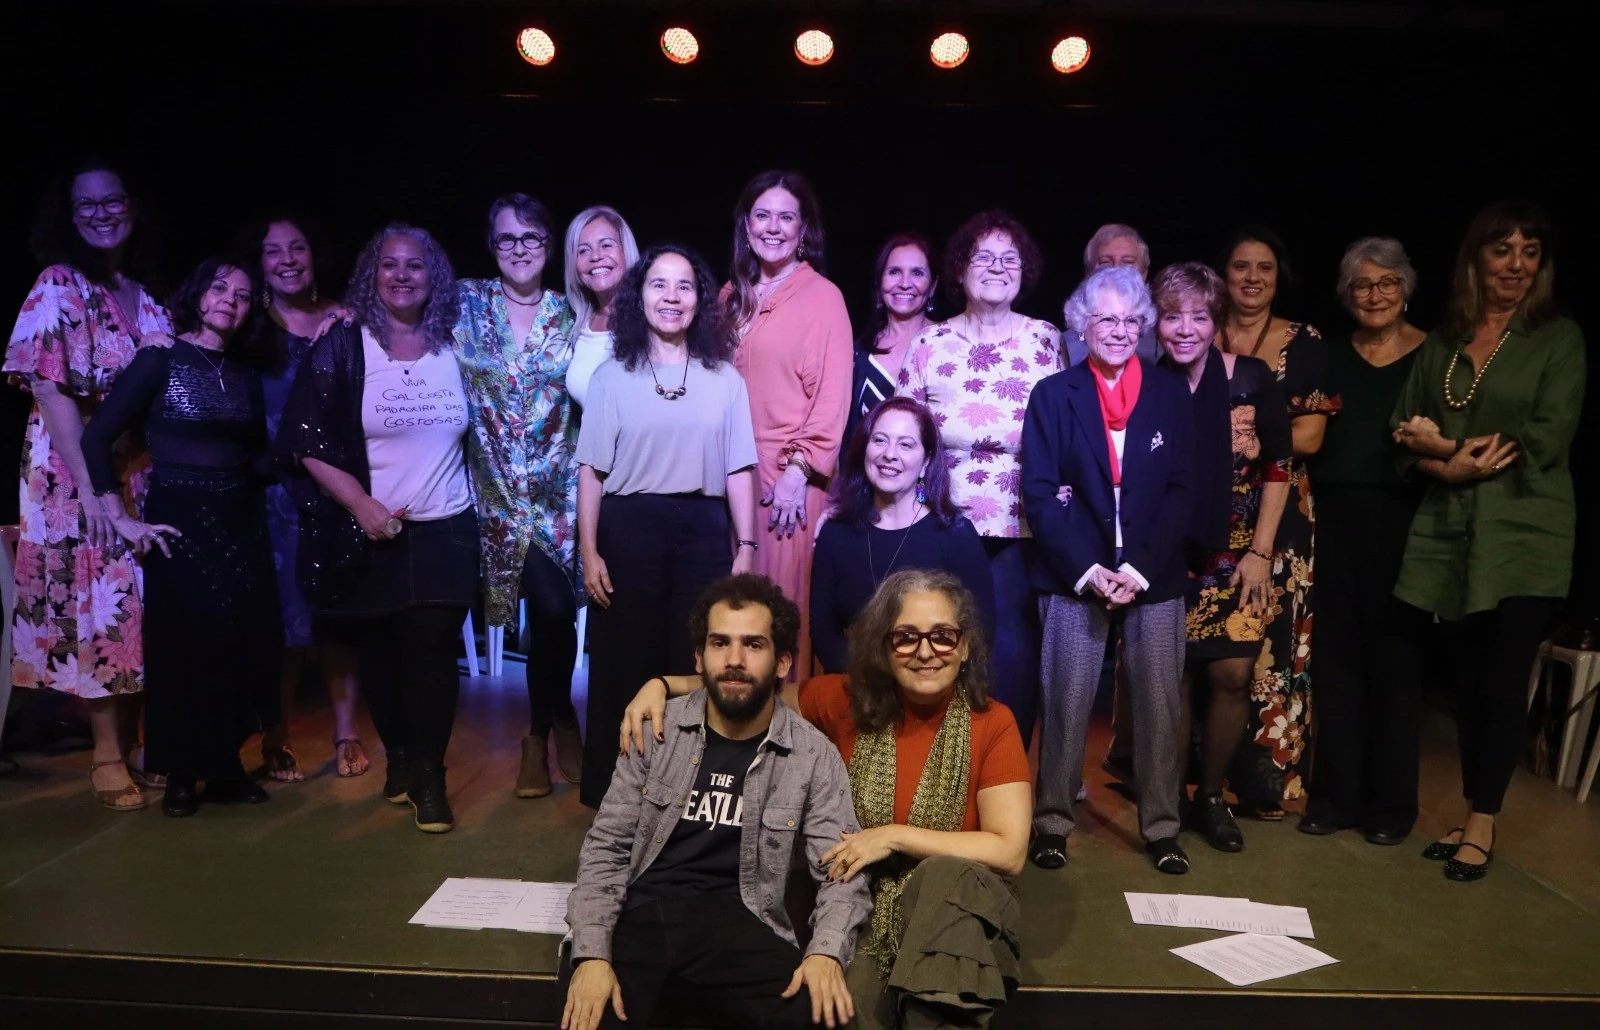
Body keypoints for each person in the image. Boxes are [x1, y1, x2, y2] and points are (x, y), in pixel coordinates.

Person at [624, 569, 1030, 1029]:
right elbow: (747, 684)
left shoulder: (993, 723)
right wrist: (661, 684)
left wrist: (892, 838)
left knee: (944, 876)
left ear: (964, 646)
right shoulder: (845, 700)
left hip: (962, 915)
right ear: (883, 645)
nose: (924, 652)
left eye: (942, 636)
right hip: (866, 902)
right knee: (835, 1012)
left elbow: (1009, 849)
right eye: (906, 637)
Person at [562, 574, 869, 1030]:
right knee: (588, 1015)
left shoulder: (811, 755)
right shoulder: (656, 733)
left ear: (783, 661)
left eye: (754, 645)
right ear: (699, 659)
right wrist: (590, 954)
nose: (735, 660)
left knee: (822, 1018)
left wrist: (825, 950)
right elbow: (605, 850)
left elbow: (841, 871)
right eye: (720, 643)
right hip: (641, 916)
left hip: (743, 922)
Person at [1391, 202, 1585, 881]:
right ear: (1477, 258)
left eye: (1530, 252)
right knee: (1468, 682)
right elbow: (1400, 432)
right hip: (1451, 534)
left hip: (1526, 532)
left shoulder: (1558, 339)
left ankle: (1483, 818)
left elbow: (1545, 438)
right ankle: (1476, 804)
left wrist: (1443, 445)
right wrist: (1441, 464)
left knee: (1503, 679)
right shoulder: (1445, 340)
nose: (1516, 265)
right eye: (1503, 251)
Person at [278, 223, 478, 834]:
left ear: (433, 275)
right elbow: (303, 440)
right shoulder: (342, 345)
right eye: (388, 265)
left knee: (432, 654)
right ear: (372, 274)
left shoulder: (459, 341)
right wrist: (360, 503)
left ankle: (431, 779)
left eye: (414, 265)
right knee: (385, 663)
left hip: (447, 526)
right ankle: (401, 755)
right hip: (371, 529)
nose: (401, 275)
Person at [80, 257, 282, 817]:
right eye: (220, 288)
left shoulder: (243, 372)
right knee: (186, 650)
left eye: (243, 296)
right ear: (198, 294)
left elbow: (255, 456)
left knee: (240, 647)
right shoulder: (159, 359)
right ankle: (181, 773)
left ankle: (225, 766)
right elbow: (96, 440)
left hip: (241, 521)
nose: (230, 301)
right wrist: (120, 517)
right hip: (179, 523)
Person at [4, 163, 170, 811]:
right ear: (68, 215)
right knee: (104, 605)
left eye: (114, 201)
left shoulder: (144, 290)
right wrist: (96, 491)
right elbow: (48, 389)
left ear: (132, 207)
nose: (102, 213)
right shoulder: (58, 284)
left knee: (142, 606)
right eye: (86, 205)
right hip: (77, 471)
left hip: (140, 466)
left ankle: (137, 744)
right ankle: (106, 755)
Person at [1021, 266, 1195, 874]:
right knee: (1064, 701)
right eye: (1105, 319)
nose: (1118, 331)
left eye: (1130, 320)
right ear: (1081, 325)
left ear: (1143, 327)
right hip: (1075, 572)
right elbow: (1039, 495)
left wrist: (1139, 570)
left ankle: (1163, 827)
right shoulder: (1053, 394)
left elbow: (1183, 490)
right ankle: (1051, 824)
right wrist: (1091, 570)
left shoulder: (1171, 394)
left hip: (1153, 575)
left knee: (1159, 706)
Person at [574, 244, 759, 808]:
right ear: (640, 296)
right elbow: (592, 472)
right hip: (628, 530)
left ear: (701, 301)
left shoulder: (725, 379)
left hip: (703, 531)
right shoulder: (611, 376)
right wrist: (589, 551)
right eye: (659, 284)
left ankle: (689, 796)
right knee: (625, 664)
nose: (672, 297)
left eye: (684, 286)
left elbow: (739, 469)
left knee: (694, 663)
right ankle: (616, 799)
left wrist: (745, 546)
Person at [898, 209, 1061, 749]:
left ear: (1024, 271)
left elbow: (1069, 429)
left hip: (1024, 526)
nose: (996, 267)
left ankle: (1005, 774)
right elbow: (903, 432)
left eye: (1009, 258)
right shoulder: (929, 343)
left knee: (1013, 658)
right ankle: (941, 776)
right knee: (941, 649)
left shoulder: (1045, 340)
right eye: (983, 257)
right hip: (943, 522)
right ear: (960, 270)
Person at [1150, 263, 1291, 853]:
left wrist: (1261, 551)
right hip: (1165, 553)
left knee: (1232, 673)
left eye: (1199, 316)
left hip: (1240, 552)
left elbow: (1279, 466)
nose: (1185, 328)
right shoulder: (1145, 381)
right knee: (1174, 679)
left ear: (1216, 320)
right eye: (1172, 315)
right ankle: (1173, 798)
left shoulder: (1252, 377)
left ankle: (1212, 797)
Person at [453, 193, 585, 799]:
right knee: (547, 612)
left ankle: (546, 728)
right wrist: (333, 315)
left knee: (558, 614)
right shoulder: (462, 303)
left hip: (562, 496)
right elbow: (388, 315)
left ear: (549, 246)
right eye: (507, 239)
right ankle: (549, 726)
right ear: (491, 245)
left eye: (531, 238)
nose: (520, 249)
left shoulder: (571, 312)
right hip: (496, 500)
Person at [1301, 238, 1428, 843]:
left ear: (1405, 287)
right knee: (1336, 665)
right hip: (1333, 520)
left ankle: (1391, 809)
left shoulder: (1434, 355)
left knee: (1397, 665)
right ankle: (1333, 799)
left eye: (1386, 283)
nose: (1374, 295)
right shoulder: (1329, 355)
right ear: (1347, 295)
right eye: (1361, 285)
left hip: (1405, 521)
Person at [1216, 225, 1338, 818]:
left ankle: (1265, 783)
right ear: (1224, 274)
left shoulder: (1302, 340)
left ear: (1278, 275)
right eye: (1241, 266)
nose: (1253, 278)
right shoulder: (1197, 332)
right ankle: (1198, 776)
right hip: (1211, 512)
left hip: (1281, 512)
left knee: (1273, 647)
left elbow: (1310, 437)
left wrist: (1240, 435)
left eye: (1264, 267)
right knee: (1209, 648)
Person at [245, 214, 367, 782]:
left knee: (336, 618)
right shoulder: (246, 324)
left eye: (298, 247)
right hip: (269, 497)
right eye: (274, 251)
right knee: (285, 629)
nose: (288, 258)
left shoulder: (346, 319)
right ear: (260, 262)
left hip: (335, 489)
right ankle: (277, 736)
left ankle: (346, 732)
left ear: (315, 254)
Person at [723, 170, 854, 680]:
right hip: (730, 475)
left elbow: (832, 398)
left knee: (777, 617)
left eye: (787, 217)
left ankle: (788, 741)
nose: (773, 227)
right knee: (734, 614)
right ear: (746, 224)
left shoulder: (822, 296)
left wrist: (799, 472)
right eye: (762, 215)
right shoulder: (730, 296)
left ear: (804, 231)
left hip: (787, 482)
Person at [811, 396, 993, 673]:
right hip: (855, 690)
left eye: (905, 444)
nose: (889, 454)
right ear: (864, 449)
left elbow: (980, 632)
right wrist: (868, 686)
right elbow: (823, 631)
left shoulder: (955, 534)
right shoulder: (835, 534)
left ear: (925, 461)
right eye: (880, 440)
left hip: (935, 689)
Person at [846, 233, 937, 443]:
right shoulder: (857, 354)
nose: (905, 283)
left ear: (933, 285)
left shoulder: (951, 343)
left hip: (935, 474)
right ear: (879, 281)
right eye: (894, 272)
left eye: (917, 273)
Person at [563, 205, 640, 410]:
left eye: (606, 245)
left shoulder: (649, 320)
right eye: (583, 250)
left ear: (626, 251)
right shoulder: (577, 327)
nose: (595, 256)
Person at [1063, 223, 1161, 366]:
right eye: (1105, 263)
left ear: (1145, 273)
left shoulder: (1165, 342)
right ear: (1088, 273)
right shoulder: (1064, 345)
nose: (1117, 271)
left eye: (1127, 263)